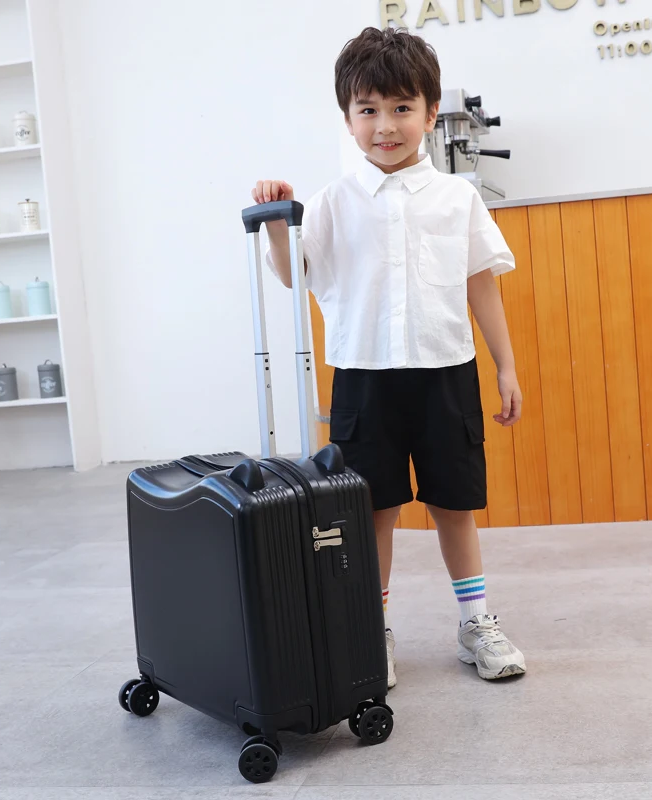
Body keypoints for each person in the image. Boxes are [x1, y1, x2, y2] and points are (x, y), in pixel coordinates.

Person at [252, 26, 526, 687]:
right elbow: (296, 275)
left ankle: (477, 622)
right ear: (347, 118)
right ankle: (370, 630)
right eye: (369, 109)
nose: (386, 125)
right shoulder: (330, 201)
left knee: (453, 505)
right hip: (364, 378)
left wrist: (505, 365)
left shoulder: (457, 197)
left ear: (431, 113)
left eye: (402, 108)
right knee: (371, 509)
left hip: (445, 373)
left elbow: (480, 282)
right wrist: (275, 223)